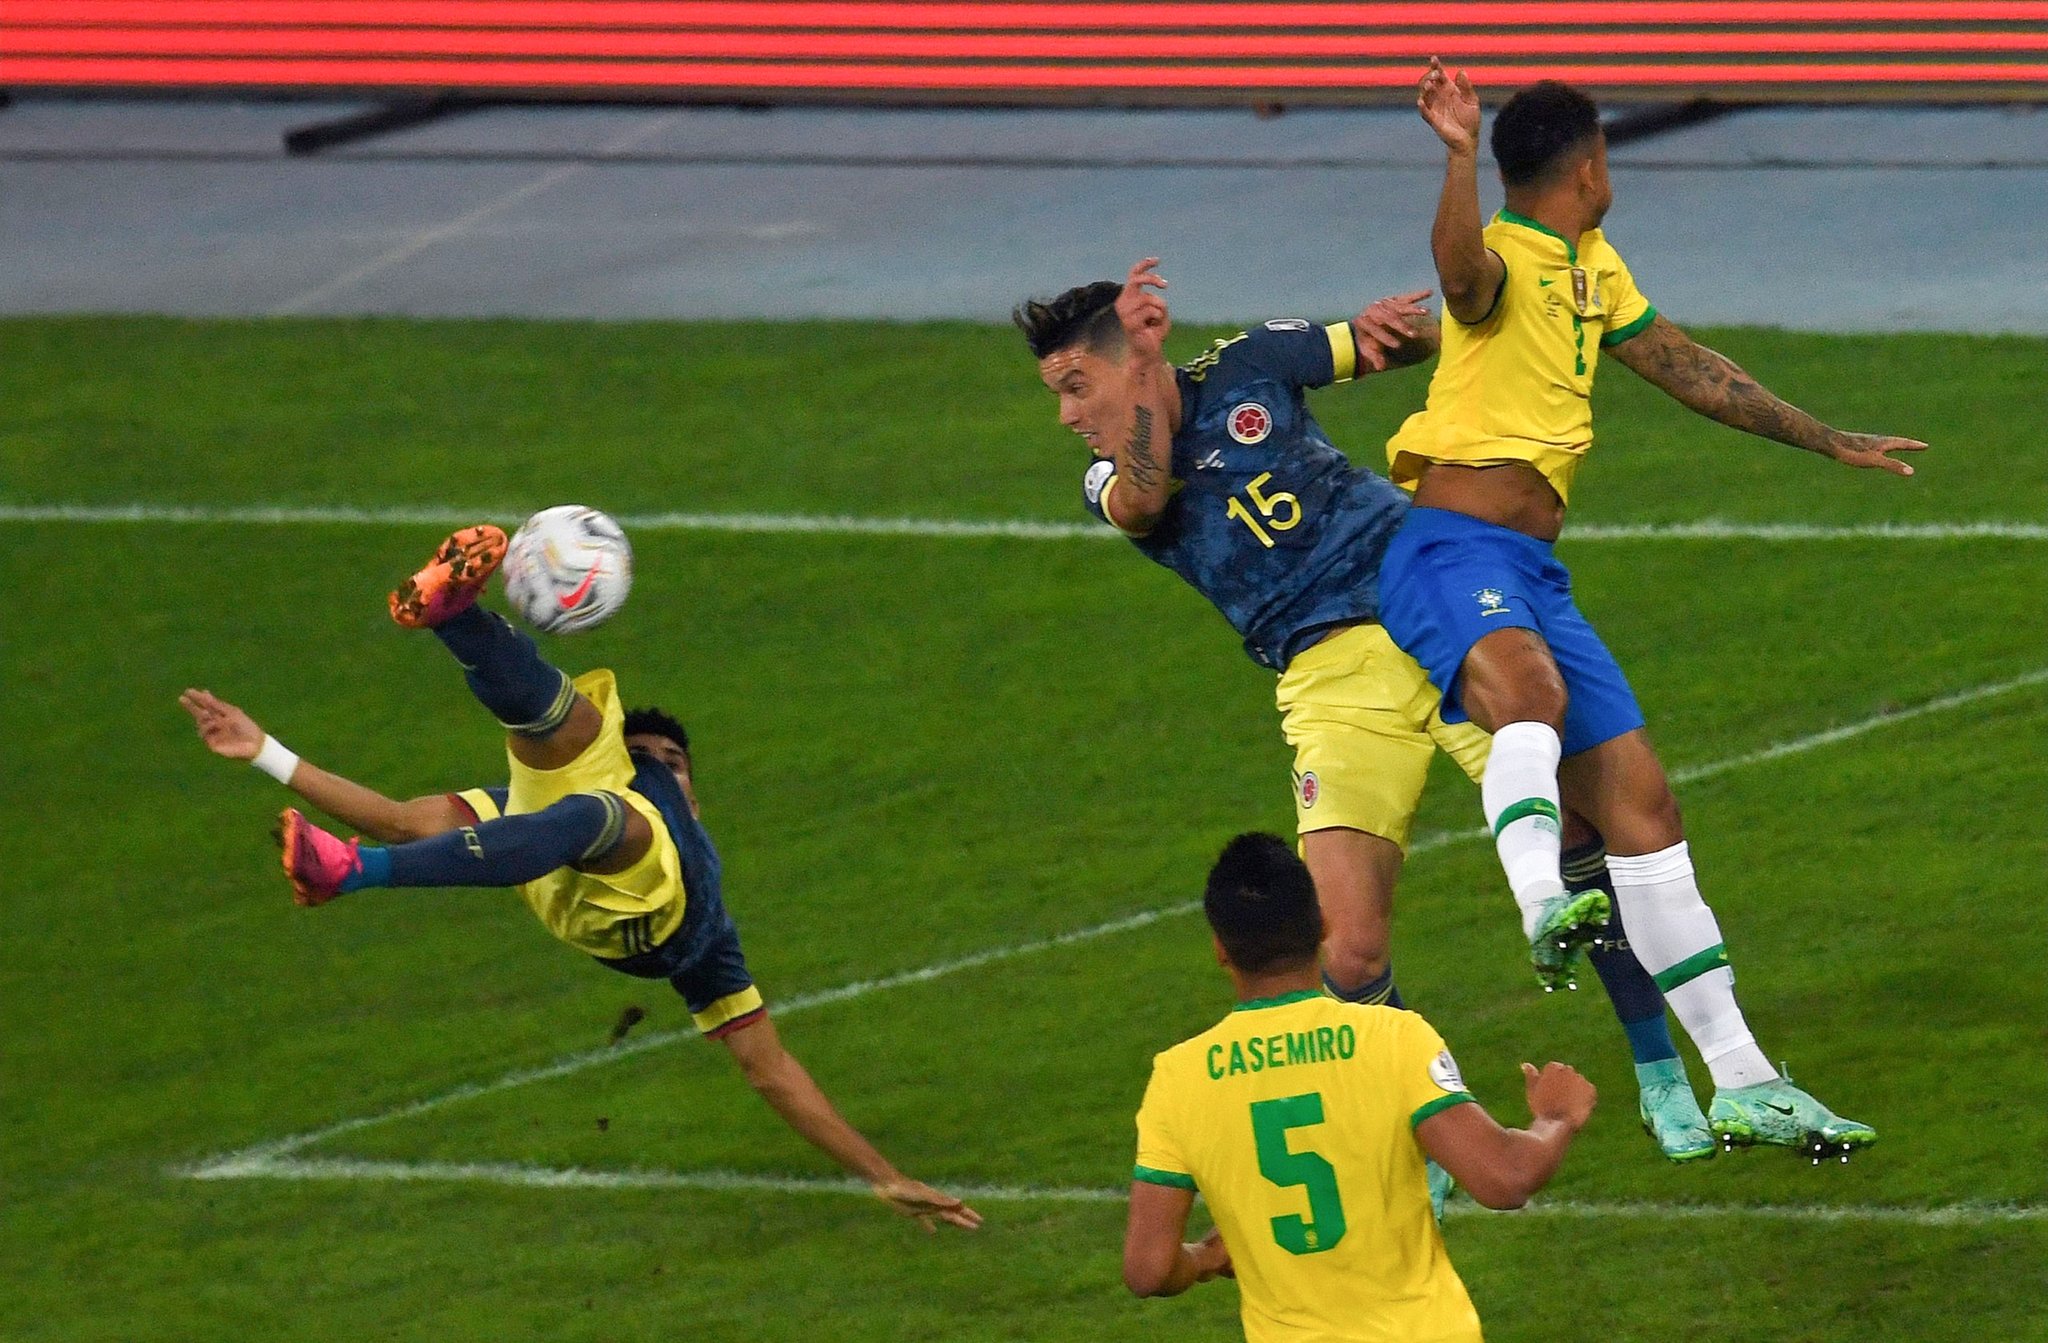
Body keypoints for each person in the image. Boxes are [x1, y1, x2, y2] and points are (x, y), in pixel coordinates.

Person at [1016, 260, 1711, 1161]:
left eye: (1076, 386)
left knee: (1581, 825)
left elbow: (1397, 344)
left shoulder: (1250, 365)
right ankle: (1434, 1137)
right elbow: (1147, 501)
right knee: (1344, 951)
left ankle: (1661, 1073)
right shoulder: (1111, 478)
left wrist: (1444, 335)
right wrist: (1143, 371)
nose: (1068, 414)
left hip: (1424, 607)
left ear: (1126, 361)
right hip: (1326, 681)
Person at [1380, 61, 1920, 1157]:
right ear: (1586, 164)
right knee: (1526, 692)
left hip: (1530, 570)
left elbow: (1683, 366)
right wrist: (1452, 156)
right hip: (1446, 548)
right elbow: (1456, 270)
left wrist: (1826, 435)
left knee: (1645, 813)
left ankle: (1745, 1081)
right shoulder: (1504, 260)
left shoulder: (1591, 265)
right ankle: (1543, 905)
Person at [181, 524, 980, 1231]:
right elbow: (399, 816)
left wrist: (883, 1176)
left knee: (601, 805)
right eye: (656, 758)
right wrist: (265, 751)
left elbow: (770, 1070)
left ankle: (357, 865)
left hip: (642, 901)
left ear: (693, 786)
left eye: (673, 762)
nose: (664, 768)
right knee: (572, 758)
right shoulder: (602, 782)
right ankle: (456, 620)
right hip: (563, 845)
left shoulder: (706, 933)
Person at [1123, 832, 1596, 1342]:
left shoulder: (1179, 1077)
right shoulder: (1392, 1038)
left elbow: (1147, 1269)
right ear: (1322, 925)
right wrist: (1555, 1118)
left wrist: (1201, 1260)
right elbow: (1504, 1177)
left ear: (1220, 949)